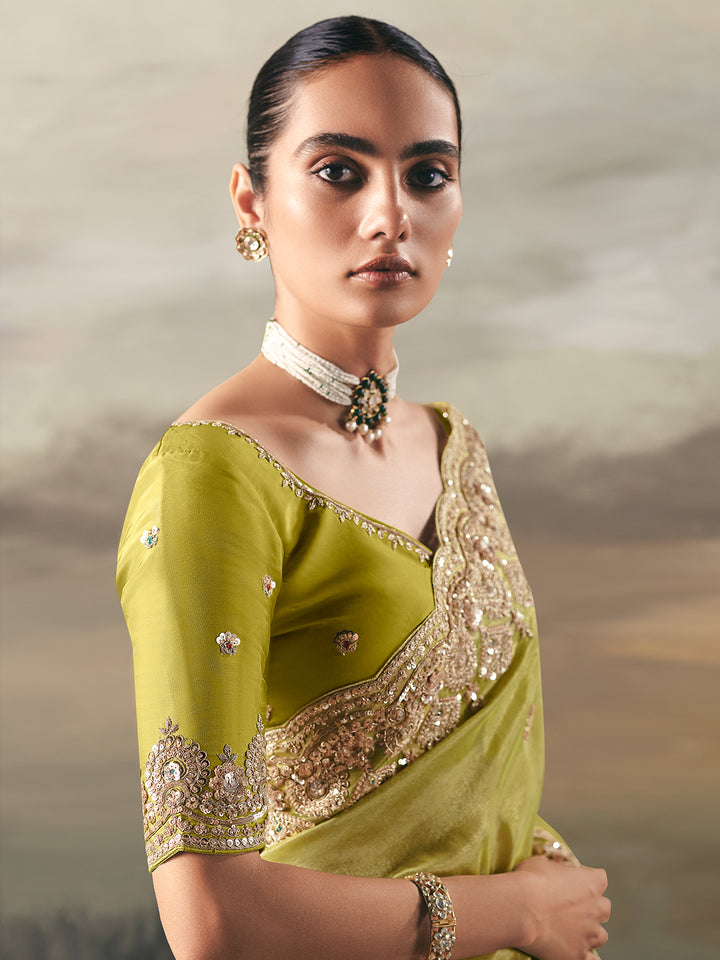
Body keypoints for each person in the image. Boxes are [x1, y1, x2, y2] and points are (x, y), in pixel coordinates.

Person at [117, 16, 610, 960]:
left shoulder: (454, 447)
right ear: (252, 200)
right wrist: (516, 912)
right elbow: (209, 920)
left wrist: (538, 876)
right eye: (339, 171)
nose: (391, 214)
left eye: (428, 174)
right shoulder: (212, 477)